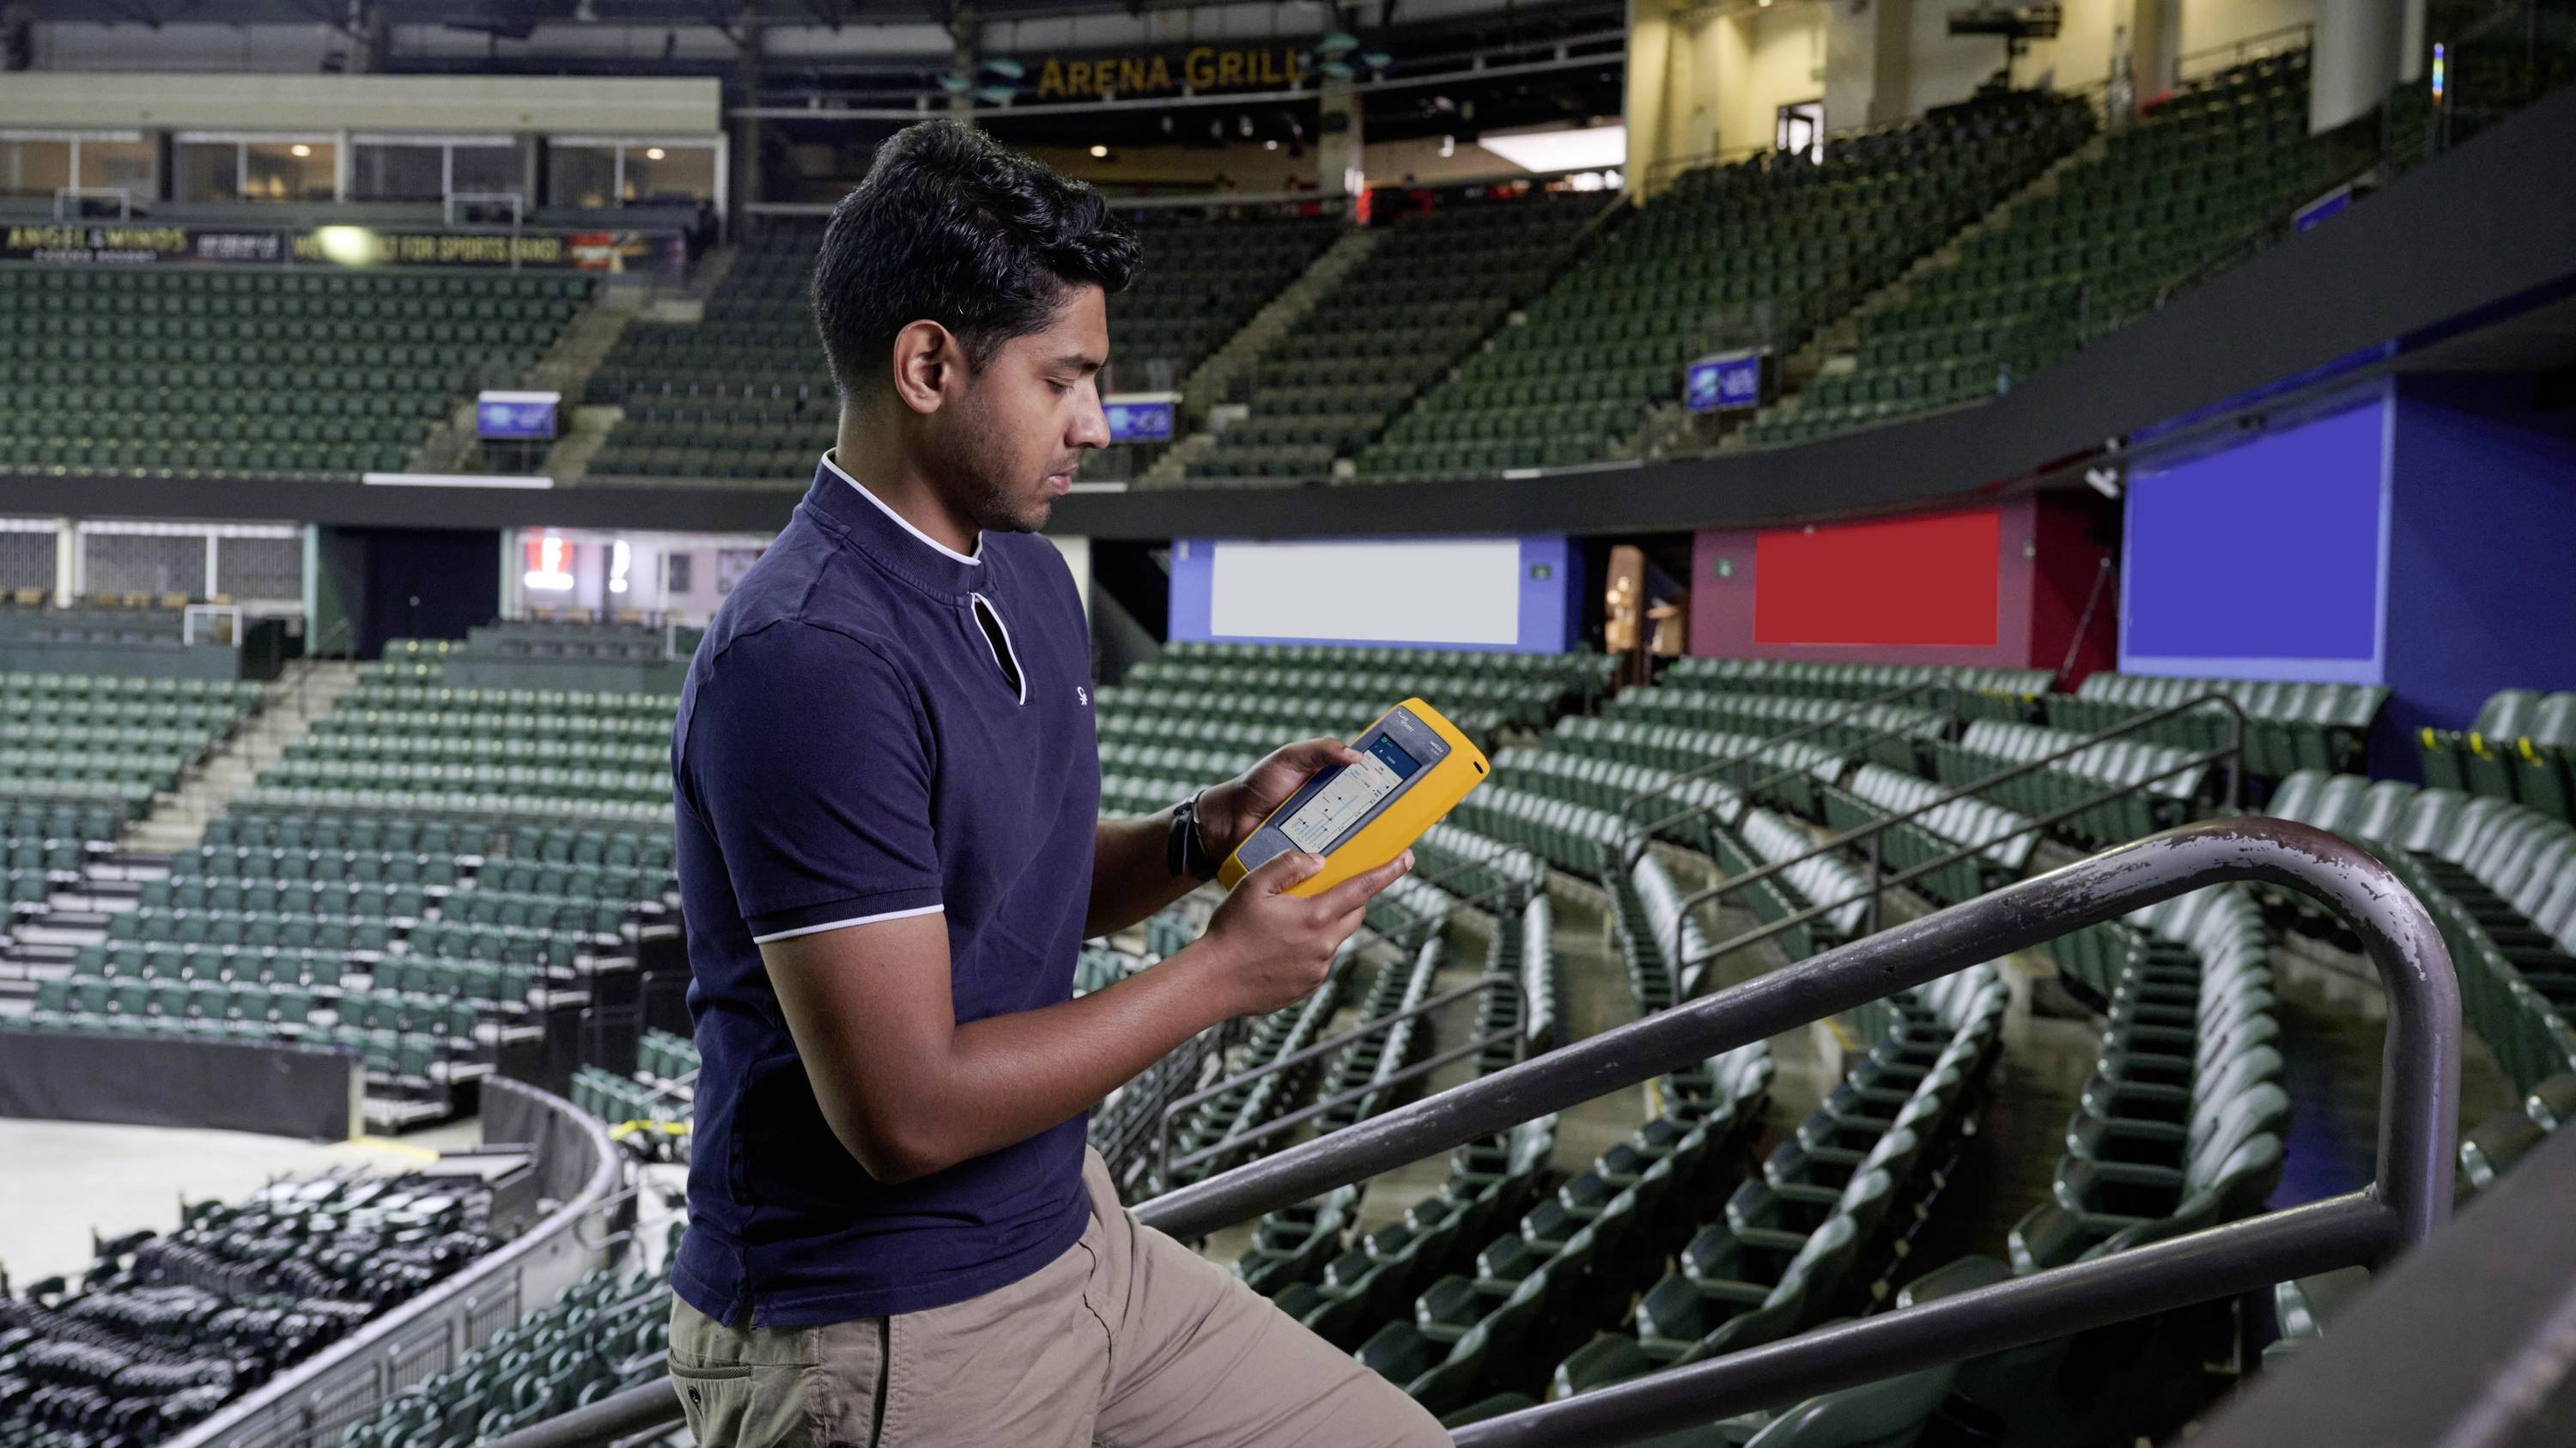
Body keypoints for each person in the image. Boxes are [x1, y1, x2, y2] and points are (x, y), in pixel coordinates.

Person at [666, 119, 1450, 1448]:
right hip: (891, 1323)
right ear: (929, 365)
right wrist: (1224, 973)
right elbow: (904, 1113)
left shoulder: (1023, 564)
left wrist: (1208, 833)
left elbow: (1012, 883)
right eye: (1065, 378)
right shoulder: (806, 657)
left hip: (1077, 1234)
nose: (1100, 418)